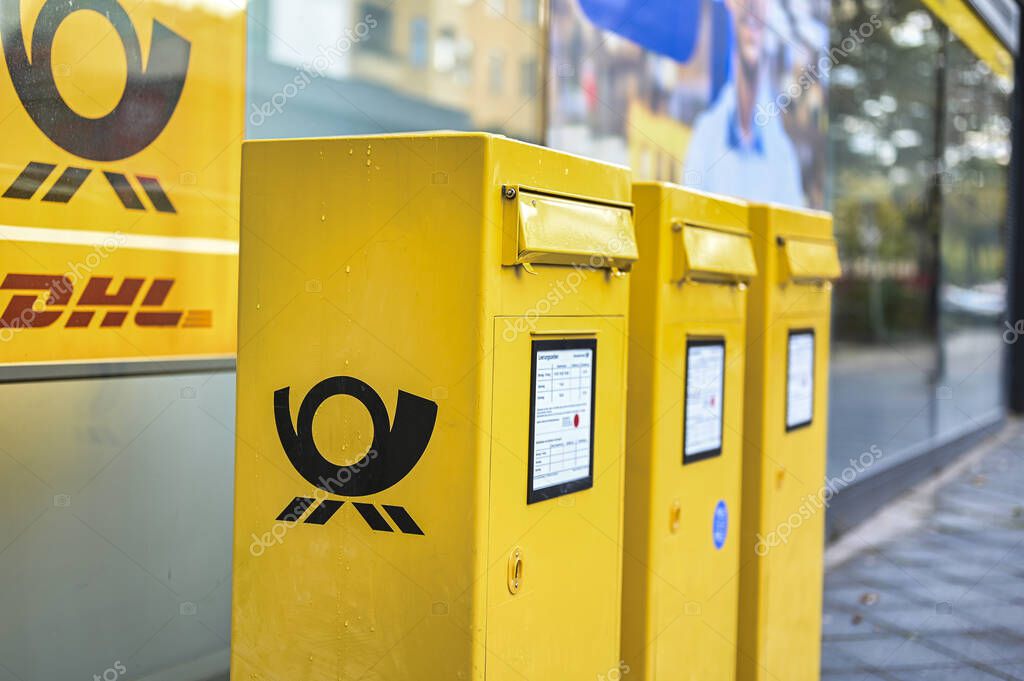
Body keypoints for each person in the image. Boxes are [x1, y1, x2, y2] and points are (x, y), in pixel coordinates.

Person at [683, 0, 805, 207]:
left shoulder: (782, 154)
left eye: (758, 23)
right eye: (746, 21)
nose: (752, 30)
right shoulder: (707, 134)